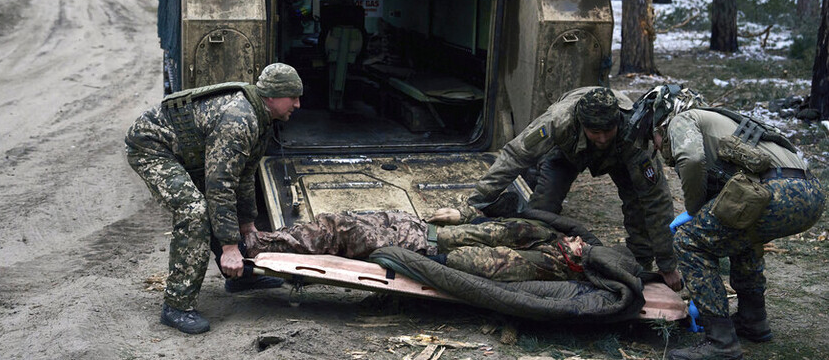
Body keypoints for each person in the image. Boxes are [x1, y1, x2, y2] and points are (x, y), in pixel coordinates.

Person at [625, 85, 826, 360]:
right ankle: (753, 320)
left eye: (656, 139)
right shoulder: (720, 121)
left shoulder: (683, 119)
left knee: (688, 241)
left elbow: (692, 159)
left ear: (662, 122)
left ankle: (720, 342)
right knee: (737, 231)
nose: (658, 146)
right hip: (810, 192)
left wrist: (695, 209)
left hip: (775, 192)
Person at [125, 63, 303, 334]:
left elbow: (244, 176)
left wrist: (247, 224)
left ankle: (240, 278)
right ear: (272, 96)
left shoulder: (263, 117)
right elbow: (220, 185)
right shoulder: (239, 119)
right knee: (194, 211)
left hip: (188, 152)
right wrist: (230, 246)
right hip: (153, 146)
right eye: (293, 97)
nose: (298, 104)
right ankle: (177, 305)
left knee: (218, 208)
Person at [467, 86, 682, 291]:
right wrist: (477, 201)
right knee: (543, 207)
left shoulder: (635, 132)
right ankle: (535, 258)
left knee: (638, 207)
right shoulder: (558, 120)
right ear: (581, 123)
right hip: (567, 152)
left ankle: (639, 266)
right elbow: (515, 156)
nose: (602, 138)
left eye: (608, 130)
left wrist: (667, 265)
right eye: (595, 132)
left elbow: (656, 200)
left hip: (620, 154)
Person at [244, 206, 589, 283]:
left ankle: (255, 246)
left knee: (339, 230)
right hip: (421, 227)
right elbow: (491, 224)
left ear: (576, 261)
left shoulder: (546, 262)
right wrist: (461, 212)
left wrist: (434, 260)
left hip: (423, 245)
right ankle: (263, 241)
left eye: (581, 247)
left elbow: (484, 265)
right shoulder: (545, 234)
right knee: (341, 219)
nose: (577, 240)